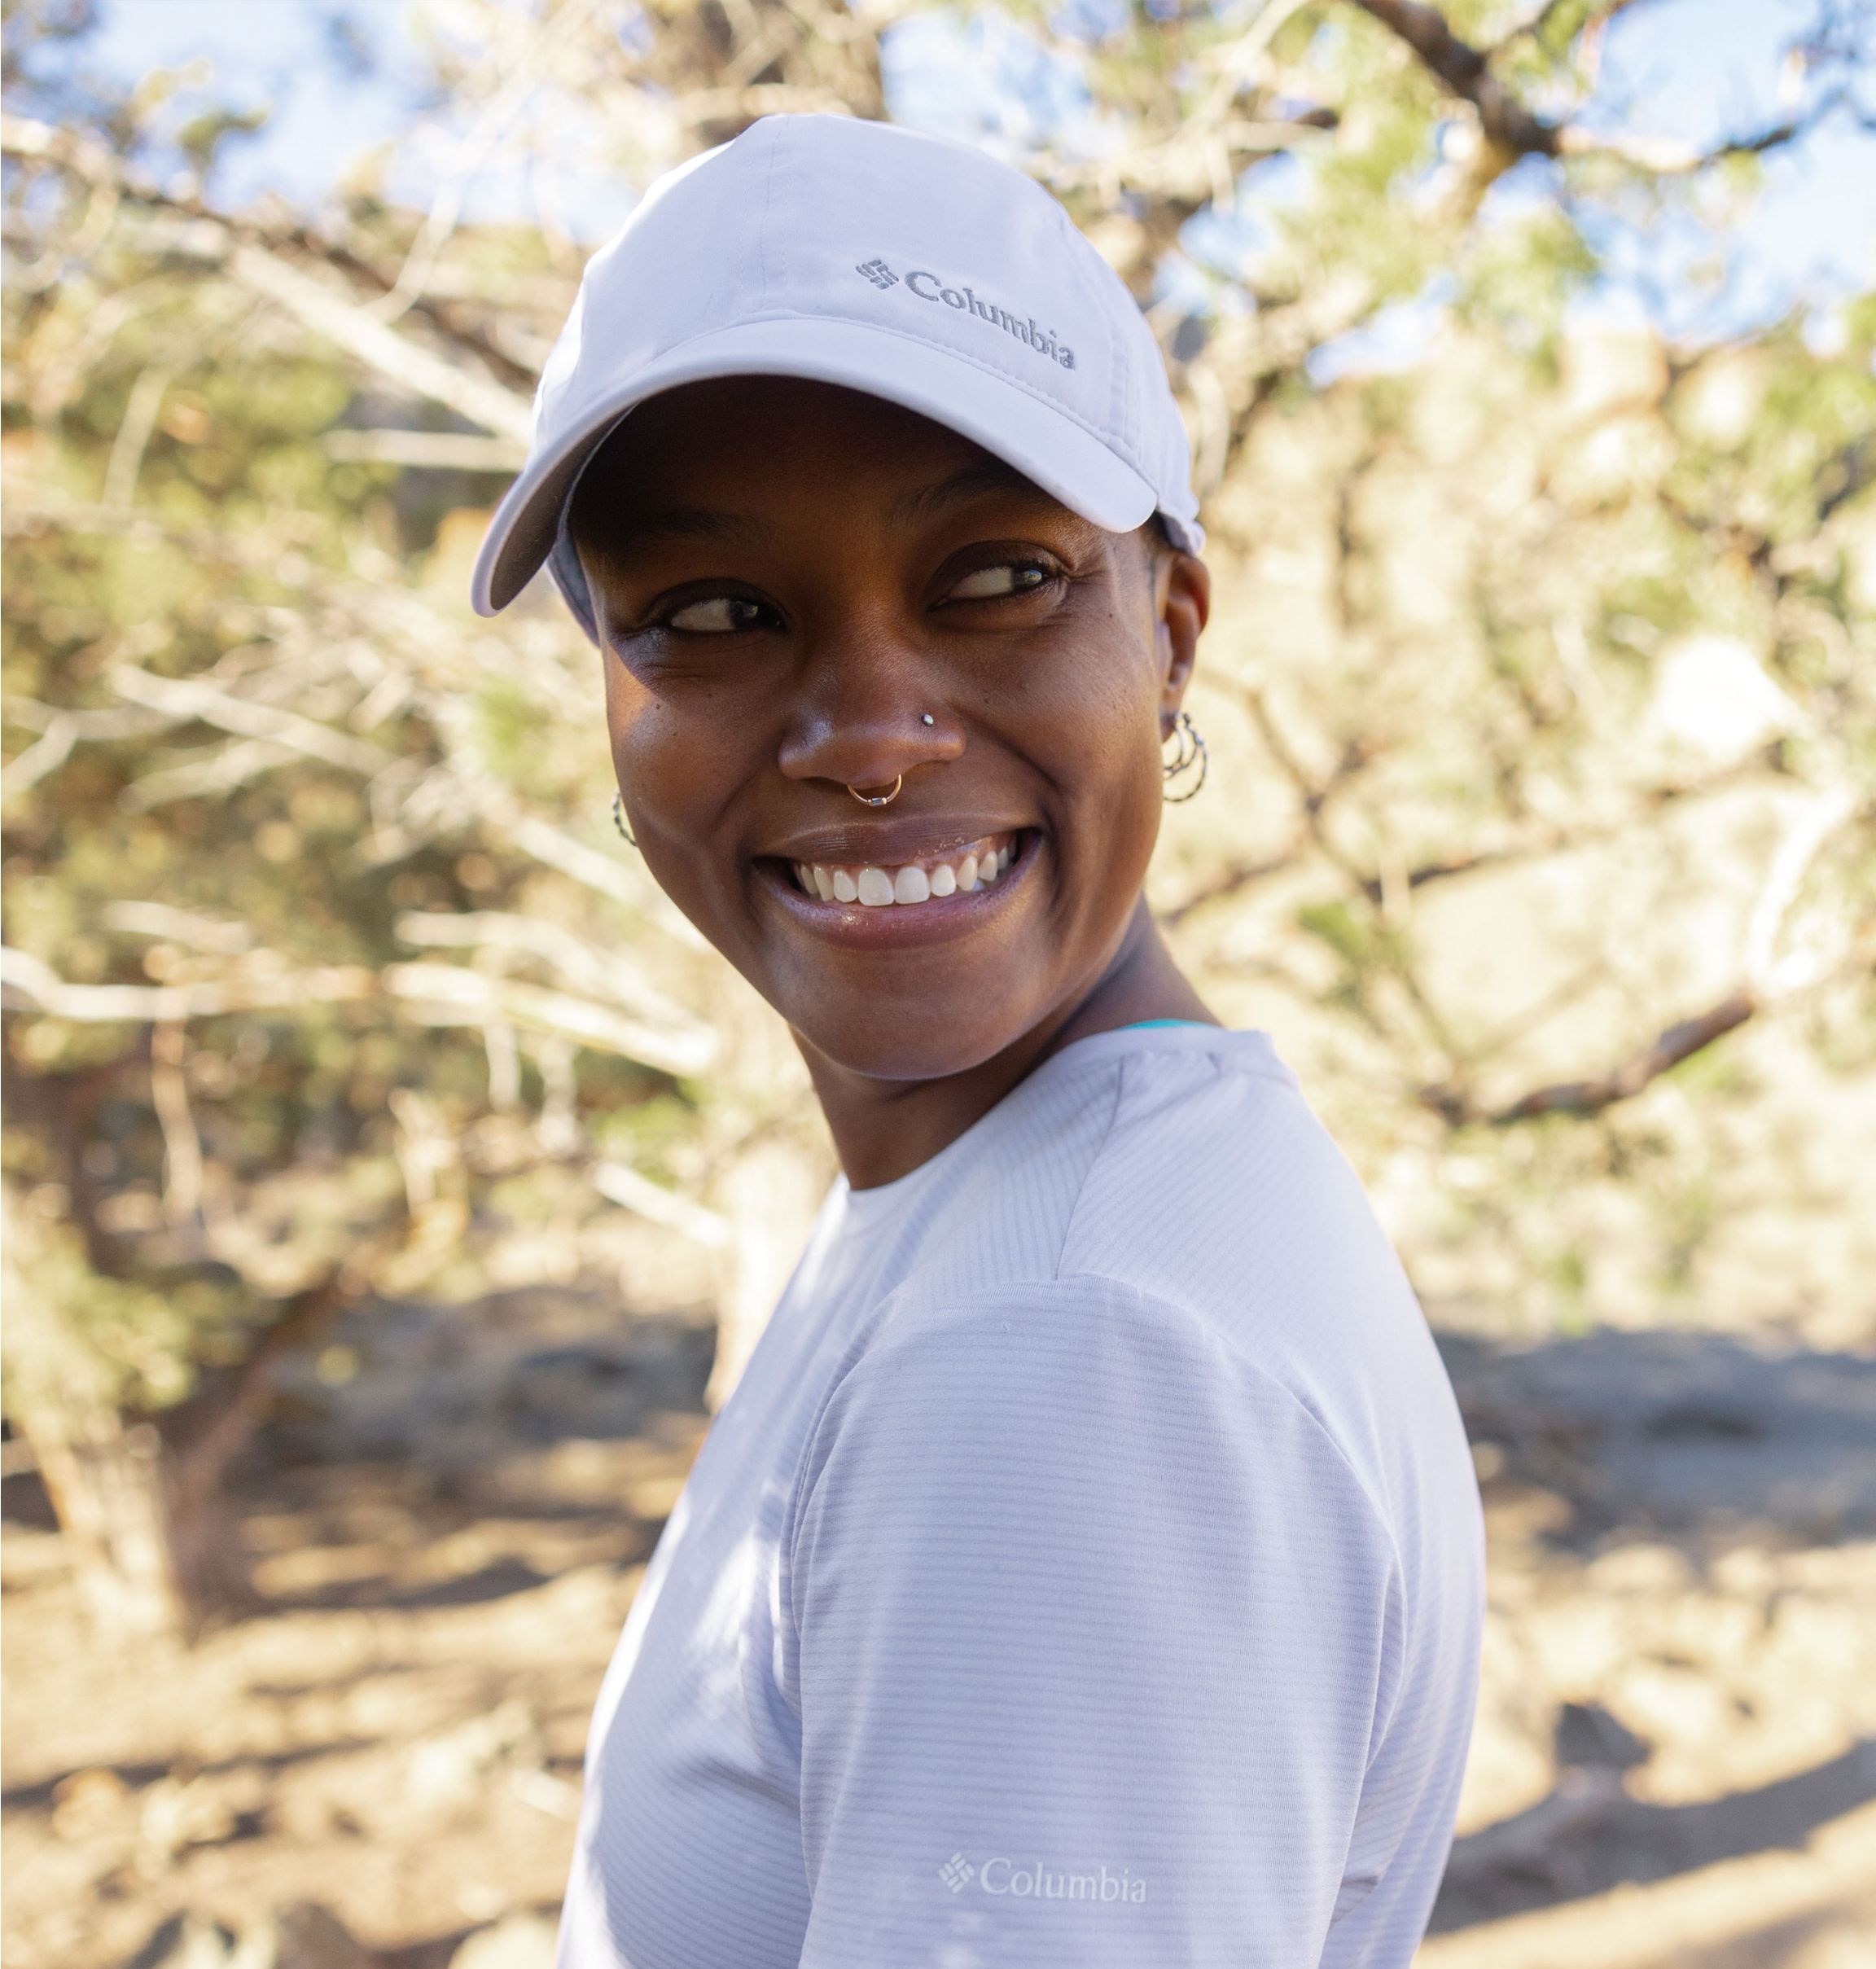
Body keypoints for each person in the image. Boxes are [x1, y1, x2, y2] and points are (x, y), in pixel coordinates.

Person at [471, 113, 1483, 1969]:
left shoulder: (1070, 1351)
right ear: (612, 701)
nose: (867, 731)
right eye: (712, 615)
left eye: (998, 577)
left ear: (1171, 630)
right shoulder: (1026, 1199)